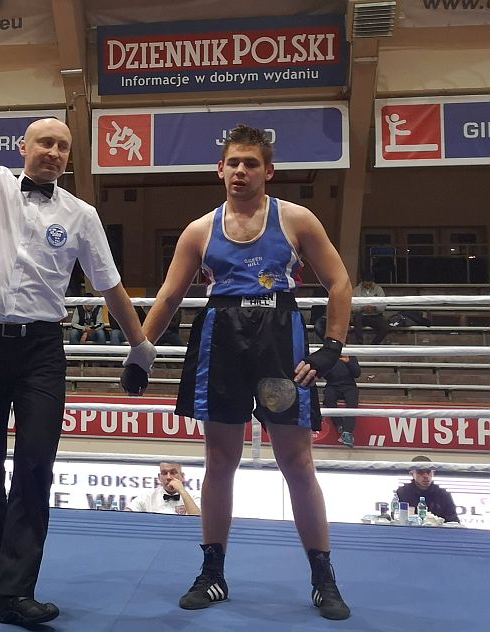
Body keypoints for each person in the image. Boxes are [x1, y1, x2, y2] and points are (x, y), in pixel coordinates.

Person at [0, 51, 155, 628]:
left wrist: (141, 347)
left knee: (34, 463)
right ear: (23, 149)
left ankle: (15, 591)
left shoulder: (82, 215)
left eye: (63, 146)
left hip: (40, 352)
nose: (54, 152)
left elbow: (110, 286)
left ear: (69, 156)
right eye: (45, 143)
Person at [134, 124, 353, 620]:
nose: (240, 171)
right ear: (220, 169)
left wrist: (333, 346)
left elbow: (339, 281)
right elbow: (169, 296)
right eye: (233, 162)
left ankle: (323, 577)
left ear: (268, 171)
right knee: (220, 461)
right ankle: (212, 573)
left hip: (280, 342)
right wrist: (141, 351)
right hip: (221, 343)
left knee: (297, 462)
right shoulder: (199, 229)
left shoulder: (296, 219)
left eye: (250, 163)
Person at [396, 456, 460, 523]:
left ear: (433, 473)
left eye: (428, 472)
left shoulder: (443, 495)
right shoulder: (402, 493)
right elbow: (396, 519)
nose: (425, 476)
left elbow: (454, 522)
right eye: (420, 472)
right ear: (412, 474)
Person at [126, 462, 201, 516]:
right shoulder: (146, 497)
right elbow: (126, 516)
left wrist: (182, 491)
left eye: (173, 472)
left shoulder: (194, 498)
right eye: (164, 473)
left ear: (182, 476)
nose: (168, 477)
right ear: (159, 477)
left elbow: (198, 522)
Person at [322, 354, 361, 448]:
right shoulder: (329, 357)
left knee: (352, 403)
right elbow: (324, 376)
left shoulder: (351, 357)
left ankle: (347, 432)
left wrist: (348, 363)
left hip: (349, 386)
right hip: (332, 386)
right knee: (328, 399)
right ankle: (339, 425)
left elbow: (357, 374)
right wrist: (328, 365)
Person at [351, 272, 390, 345]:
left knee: (385, 327)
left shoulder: (379, 289)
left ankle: (374, 344)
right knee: (357, 319)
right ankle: (359, 342)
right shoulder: (356, 290)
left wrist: (375, 308)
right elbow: (352, 306)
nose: (368, 285)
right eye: (366, 284)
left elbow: (383, 304)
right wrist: (362, 308)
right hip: (361, 315)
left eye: (370, 284)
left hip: (375, 315)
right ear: (362, 282)